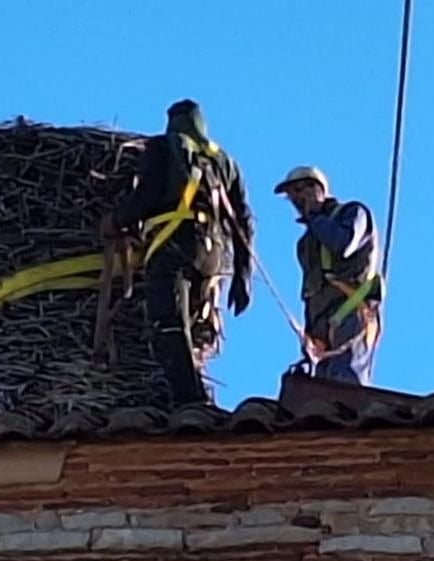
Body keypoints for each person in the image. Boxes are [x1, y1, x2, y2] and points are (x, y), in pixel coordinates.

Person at [105, 100, 254, 405]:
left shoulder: (162, 148)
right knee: (189, 324)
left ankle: (190, 401)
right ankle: (193, 390)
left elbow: (147, 193)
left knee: (168, 324)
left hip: (174, 246)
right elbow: (244, 222)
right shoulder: (224, 162)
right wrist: (242, 275)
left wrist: (117, 220)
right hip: (210, 257)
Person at [274, 165, 382, 385]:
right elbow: (311, 293)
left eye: (300, 190)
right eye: (291, 195)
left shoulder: (352, 213)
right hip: (322, 327)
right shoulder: (305, 244)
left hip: (351, 312)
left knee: (345, 391)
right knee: (319, 398)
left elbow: (342, 244)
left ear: (317, 189)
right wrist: (310, 341)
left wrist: (315, 215)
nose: (296, 200)